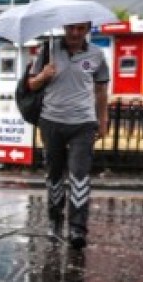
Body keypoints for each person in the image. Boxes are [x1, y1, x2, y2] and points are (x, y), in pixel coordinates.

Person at [25, 21, 110, 249]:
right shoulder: (48, 50)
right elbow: (31, 85)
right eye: (71, 28)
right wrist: (43, 75)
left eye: (81, 29)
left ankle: (77, 229)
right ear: (64, 28)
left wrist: (103, 120)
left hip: (83, 124)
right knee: (54, 175)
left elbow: (101, 90)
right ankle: (55, 219)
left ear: (87, 30)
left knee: (79, 175)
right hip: (51, 122)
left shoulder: (97, 54)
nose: (75, 33)